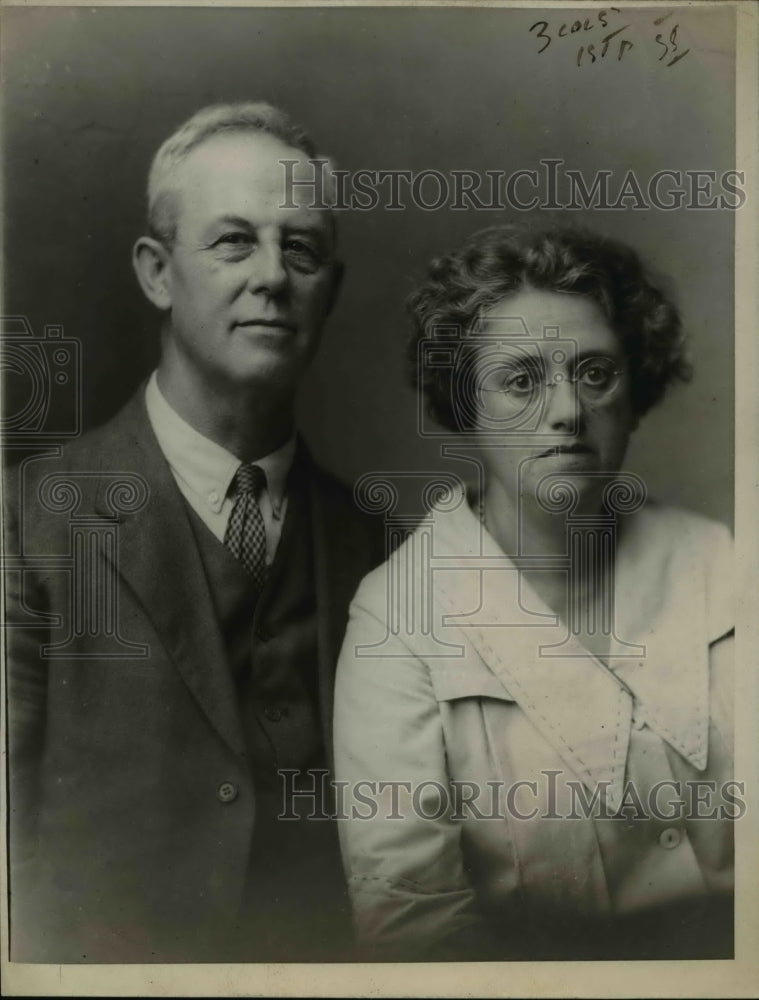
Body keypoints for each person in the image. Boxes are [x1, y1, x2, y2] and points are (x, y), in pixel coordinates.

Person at [5, 102, 383, 963]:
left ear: (332, 288)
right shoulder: (25, 520)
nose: (273, 278)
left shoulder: (381, 544)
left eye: (302, 248)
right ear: (156, 272)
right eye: (232, 241)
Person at [334, 224, 734, 961]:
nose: (567, 412)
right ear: (465, 404)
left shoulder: (719, 561)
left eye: (594, 373)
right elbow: (413, 932)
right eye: (521, 381)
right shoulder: (397, 620)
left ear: (636, 384)